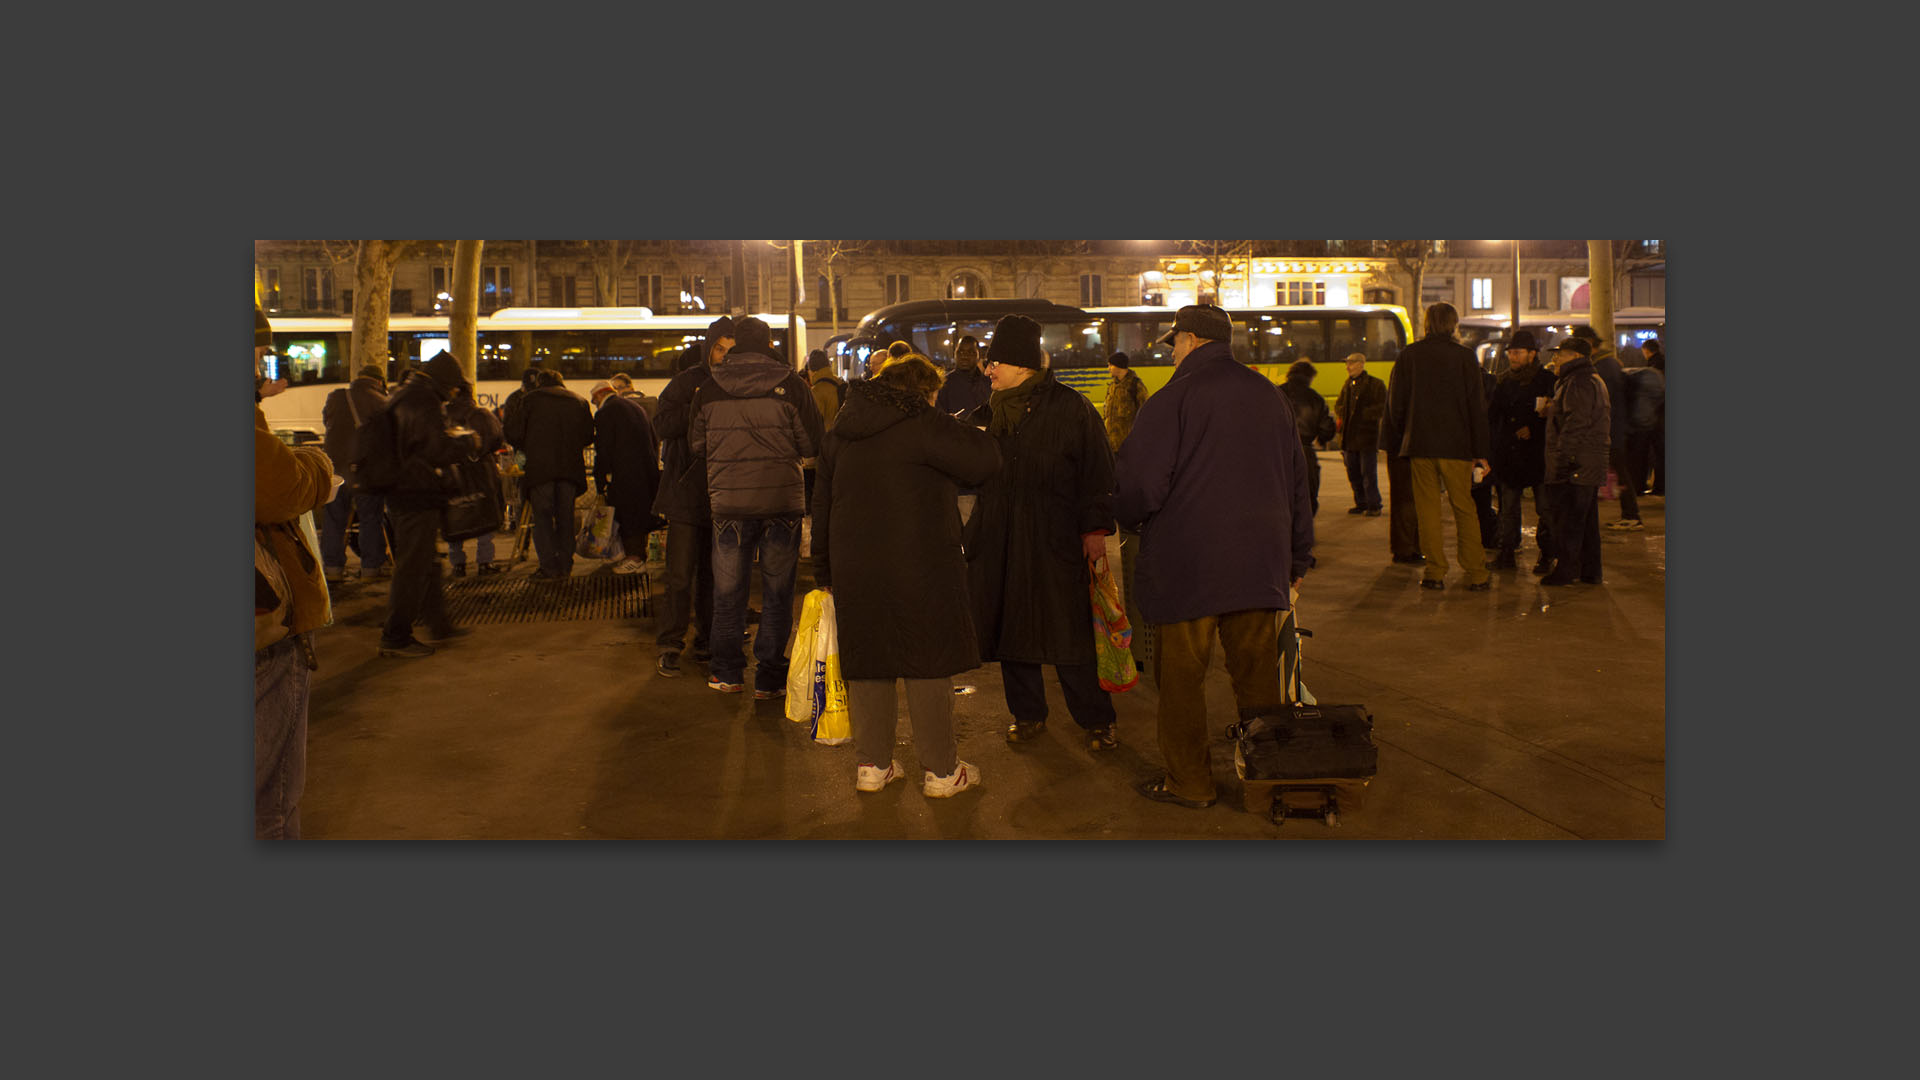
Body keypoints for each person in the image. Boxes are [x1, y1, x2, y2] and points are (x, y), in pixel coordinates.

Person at [1115, 303, 1313, 810]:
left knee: (1182, 679)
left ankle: (1191, 782)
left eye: (1173, 343)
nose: (1171, 353)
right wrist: (1297, 558)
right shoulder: (1269, 396)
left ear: (1190, 339)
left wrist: (1131, 519)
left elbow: (1139, 485)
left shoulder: (1172, 399)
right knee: (1257, 677)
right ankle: (1265, 780)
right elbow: (1298, 483)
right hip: (1259, 565)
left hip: (1190, 568)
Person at [813, 352, 1000, 797]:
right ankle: (940, 771)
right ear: (923, 393)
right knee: (927, 659)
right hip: (922, 562)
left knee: (869, 660)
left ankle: (873, 766)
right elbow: (986, 462)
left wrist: (824, 569)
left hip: (853, 562)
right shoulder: (922, 423)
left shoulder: (842, 431)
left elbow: (821, 505)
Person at [964, 313, 1119, 751]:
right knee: (1012, 632)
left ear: (1021, 365)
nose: (987, 370)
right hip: (1000, 538)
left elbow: (1098, 473)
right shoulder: (987, 411)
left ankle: (1096, 720)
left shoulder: (1072, 408)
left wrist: (1094, 530)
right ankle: (1027, 714)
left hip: (1056, 539)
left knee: (1069, 635)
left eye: (995, 362)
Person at [689, 316, 825, 698]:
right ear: (767, 344)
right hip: (782, 501)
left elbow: (696, 444)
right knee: (778, 592)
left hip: (729, 502)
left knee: (728, 592)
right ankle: (770, 679)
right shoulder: (793, 385)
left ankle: (727, 672)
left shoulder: (710, 387)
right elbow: (812, 444)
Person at [255, 305, 334, 838]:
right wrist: (319, 465)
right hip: (261, 625)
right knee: (271, 802)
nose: (267, 364)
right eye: (260, 353)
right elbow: (280, 487)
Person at [377, 352, 482, 658]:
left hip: (407, 491)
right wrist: (467, 442)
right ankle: (395, 636)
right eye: (452, 388)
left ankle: (439, 624)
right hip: (414, 493)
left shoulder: (406, 394)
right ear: (444, 382)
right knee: (413, 566)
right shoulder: (422, 400)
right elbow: (434, 448)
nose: (453, 394)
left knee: (427, 562)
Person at [1385, 302, 1492, 591]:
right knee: (1464, 508)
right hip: (1457, 445)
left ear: (1427, 323)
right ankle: (1476, 572)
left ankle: (1434, 572)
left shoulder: (1410, 356)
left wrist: (1396, 443)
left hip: (1419, 444)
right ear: (1453, 324)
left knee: (1427, 510)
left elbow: (1396, 404)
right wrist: (1480, 451)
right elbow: (1476, 407)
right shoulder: (1465, 357)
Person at [650, 318, 732, 678]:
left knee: (714, 577)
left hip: (724, 492)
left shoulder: (738, 383)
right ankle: (671, 642)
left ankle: (706, 641)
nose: (723, 356)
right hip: (686, 493)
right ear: (708, 347)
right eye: (719, 348)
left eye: (731, 350)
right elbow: (662, 424)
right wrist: (700, 408)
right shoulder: (686, 382)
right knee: (680, 575)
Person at [503, 367, 594, 581]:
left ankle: (548, 567)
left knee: (542, 518)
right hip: (570, 470)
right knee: (566, 518)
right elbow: (588, 436)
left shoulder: (528, 401)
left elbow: (514, 433)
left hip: (539, 470)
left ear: (539, 383)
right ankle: (565, 565)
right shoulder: (579, 401)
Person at [1539, 336, 1610, 586]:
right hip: (1587, 461)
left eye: (1562, 354)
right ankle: (1590, 571)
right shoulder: (1587, 380)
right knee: (1586, 522)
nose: (1555, 358)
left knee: (1570, 520)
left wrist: (1562, 459)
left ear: (1577, 357)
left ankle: (1567, 570)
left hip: (1576, 463)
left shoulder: (1578, 382)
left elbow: (1575, 424)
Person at [1487, 330, 1558, 571]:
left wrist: (1535, 428)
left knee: (1545, 508)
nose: (1512, 357)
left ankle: (1547, 555)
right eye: (1510, 353)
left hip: (1538, 455)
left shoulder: (1547, 380)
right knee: (1508, 508)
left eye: (1517, 353)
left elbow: (1555, 415)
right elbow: (1494, 415)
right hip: (1509, 455)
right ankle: (1507, 552)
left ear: (1532, 354)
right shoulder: (1504, 380)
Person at [319, 363, 392, 583]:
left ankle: (332, 568)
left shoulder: (336, 397)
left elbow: (327, 421)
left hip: (334, 468)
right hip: (364, 471)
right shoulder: (381, 402)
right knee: (370, 517)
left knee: (333, 519)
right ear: (379, 382)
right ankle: (371, 567)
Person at [591, 378, 661, 575]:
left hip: (624, 474)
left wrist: (601, 477)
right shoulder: (635, 407)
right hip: (646, 471)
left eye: (594, 401)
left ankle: (635, 558)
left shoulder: (606, 412)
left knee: (628, 514)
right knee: (639, 513)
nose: (594, 404)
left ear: (599, 395)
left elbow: (604, 449)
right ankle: (636, 555)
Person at [1577, 325, 1640, 532]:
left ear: (1588, 343)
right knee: (1619, 471)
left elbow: (1605, 401)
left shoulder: (1604, 366)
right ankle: (1630, 514)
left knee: (1621, 471)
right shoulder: (1607, 363)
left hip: (1612, 429)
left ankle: (1631, 515)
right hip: (1614, 428)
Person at [445, 374, 506, 577]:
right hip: (481, 472)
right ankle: (484, 562)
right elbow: (497, 439)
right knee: (484, 515)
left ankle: (458, 564)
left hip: (452, 474)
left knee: (454, 515)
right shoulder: (482, 415)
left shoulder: (442, 416)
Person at [1334, 351, 1386, 515]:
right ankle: (1361, 503)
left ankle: (1374, 505)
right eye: (1347, 363)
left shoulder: (1375, 384)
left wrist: (1364, 415)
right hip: (1349, 438)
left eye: (1351, 363)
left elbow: (1382, 407)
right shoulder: (1348, 385)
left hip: (1366, 437)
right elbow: (1339, 405)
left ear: (1361, 364)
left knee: (1368, 474)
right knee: (1353, 473)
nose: (1348, 367)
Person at [1279, 359, 1333, 516]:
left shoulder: (1276, 393)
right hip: (1305, 450)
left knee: (1283, 492)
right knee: (1308, 493)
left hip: (1280, 451)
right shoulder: (1315, 398)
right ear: (1309, 377)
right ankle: (1303, 532)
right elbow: (1327, 427)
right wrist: (1322, 439)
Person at [804, 349, 845, 514]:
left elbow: (812, 425)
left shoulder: (816, 392)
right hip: (842, 449)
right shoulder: (842, 385)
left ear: (811, 370)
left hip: (823, 454)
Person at [1622, 353, 1665, 502]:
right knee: (1657, 456)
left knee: (1637, 457)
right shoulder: (1652, 379)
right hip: (1655, 422)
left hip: (1641, 424)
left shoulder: (1631, 381)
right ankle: (1659, 488)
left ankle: (1638, 488)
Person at [934, 335, 991, 420]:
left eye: (970, 352)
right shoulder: (943, 384)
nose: (964, 356)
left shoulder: (989, 383)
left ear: (979, 355)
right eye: (960, 352)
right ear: (955, 354)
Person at [1102, 351, 1150, 452]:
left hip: (1128, 445)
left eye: (1110, 365)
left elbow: (1145, 412)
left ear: (1119, 366)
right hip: (1111, 445)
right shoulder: (1112, 387)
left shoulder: (1135, 386)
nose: (1108, 368)